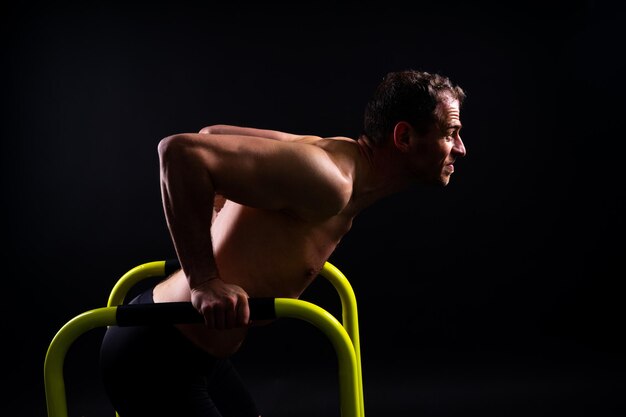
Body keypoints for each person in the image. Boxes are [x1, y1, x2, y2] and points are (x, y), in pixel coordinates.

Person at [100, 69, 467, 417]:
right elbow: (179, 152)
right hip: (156, 354)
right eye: (450, 133)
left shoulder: (339, 162)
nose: (460, 149)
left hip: (204, 360)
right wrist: (204, 280)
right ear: (403, 137)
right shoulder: (330, 180)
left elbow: (212, 135)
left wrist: (221, 234)